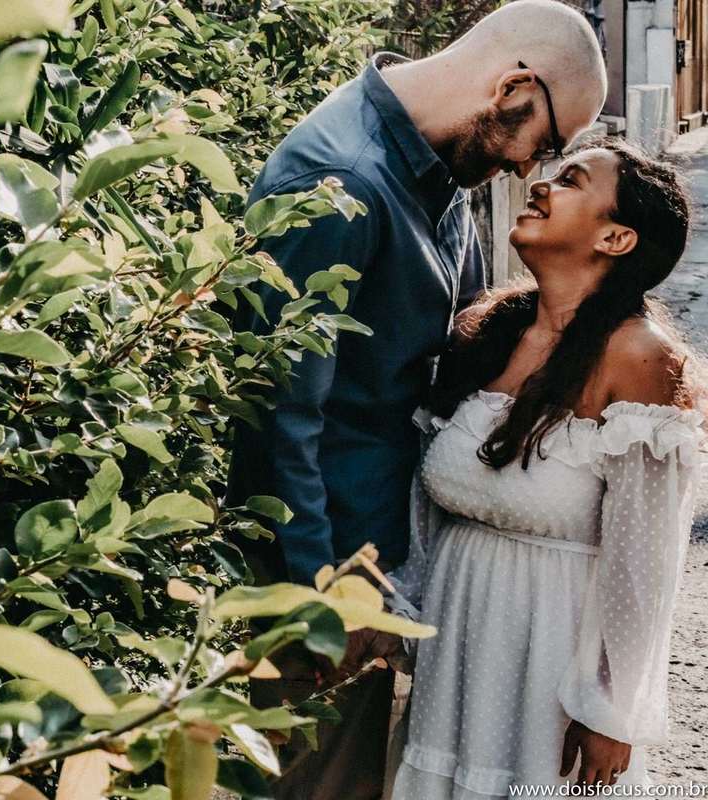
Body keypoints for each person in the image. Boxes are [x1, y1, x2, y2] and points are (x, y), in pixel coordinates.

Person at [227, 2, 607, 797]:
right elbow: (276, 416)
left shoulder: (440, 169)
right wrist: (322, 596)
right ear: (511, 87)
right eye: (547, 143)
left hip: (395, 559)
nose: (527, 171)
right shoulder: (339, 181)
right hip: (327, 575)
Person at [386, 139, 706, 797]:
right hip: (459, 652)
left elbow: (644, 561)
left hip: (555, 664)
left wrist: (612, 710)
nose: (540, 185)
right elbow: (425, 508)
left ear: (616, 237)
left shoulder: (642, 358)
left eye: (571, 181)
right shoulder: (487, 331)